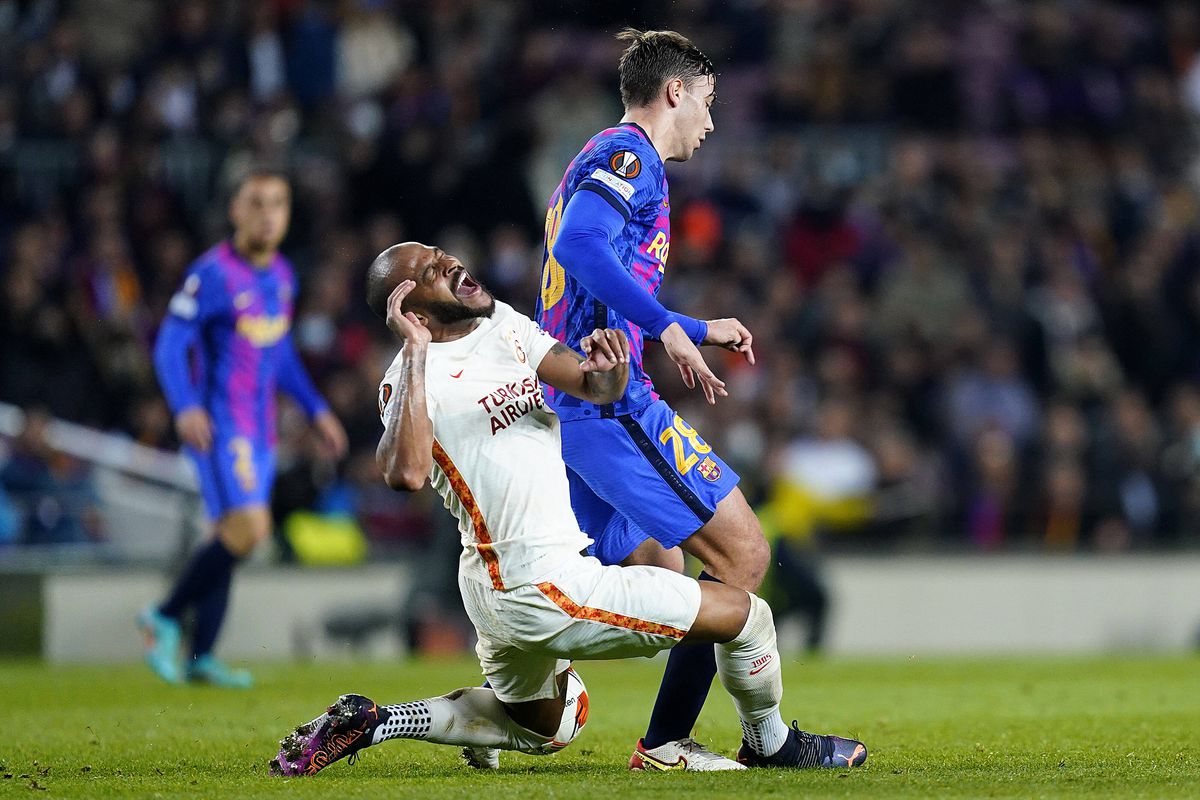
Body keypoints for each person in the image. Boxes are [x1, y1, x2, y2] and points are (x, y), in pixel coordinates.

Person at [267, 242, 866, 776]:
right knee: (748, 617)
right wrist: (417, 350)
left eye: (441, 254)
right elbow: (405, 473)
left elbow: (586, 386)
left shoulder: (503, 324)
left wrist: (611, 371)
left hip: (506, 586)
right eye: (427, 270)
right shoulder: (407, 378)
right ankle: (769, 743)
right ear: (413, 313)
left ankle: (374, 721)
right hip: (539, 583)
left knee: (554, 725)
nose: (449, 262)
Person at [533, 29, 766, 770]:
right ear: (675, 92)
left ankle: (512, 697)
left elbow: (595, 275)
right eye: (707, 100)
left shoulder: (605, 159)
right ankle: (669, 742)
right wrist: (669, 329)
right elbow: (579, 247)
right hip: (605, 401)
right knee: (742, 557)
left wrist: (697, 325)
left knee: (658, 582)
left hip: (573, 399)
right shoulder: (628, 158)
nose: (710, 119)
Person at [138, 169, 348, 687]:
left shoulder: (281, 276)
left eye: (278, 202)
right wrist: (185, 406)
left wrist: (317, 409)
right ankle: (163, 615)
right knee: (250, 530)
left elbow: (278, 354)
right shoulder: (211, 274)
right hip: (221, 425)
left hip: (262, 431)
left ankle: (200, 658)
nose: (268, 213)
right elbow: (169, 344)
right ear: (234, 210)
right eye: (256, 202)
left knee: (229, 537)